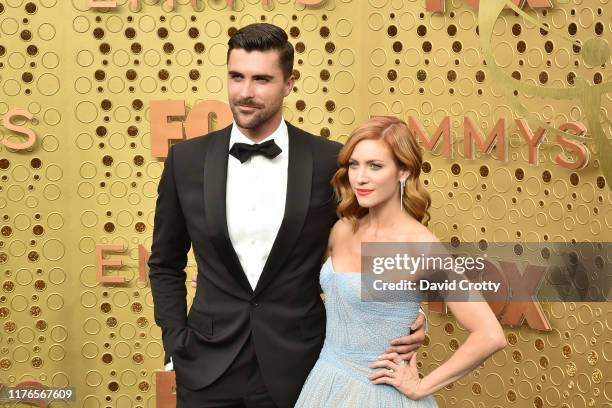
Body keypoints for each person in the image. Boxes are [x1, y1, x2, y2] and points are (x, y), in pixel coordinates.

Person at [148, 24, 426, 408]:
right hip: (206, 367)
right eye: (236, 77)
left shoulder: (330, 161)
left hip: (301, 367)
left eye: (262, 79)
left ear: (290, 82)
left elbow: (376, 238)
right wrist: (176, 342)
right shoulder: (187, 161)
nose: (246, 92)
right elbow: (164, 263)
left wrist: (407, 314)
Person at [294, 116, 507, 407]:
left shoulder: (419, 246)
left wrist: (421, 387)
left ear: (404, 171)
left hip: (378, 395)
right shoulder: (342, 229)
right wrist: (413, 317)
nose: (360, 177)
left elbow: (490, 334)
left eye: (375, 166)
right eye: (354, 165)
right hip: (325, 382)